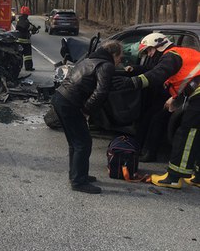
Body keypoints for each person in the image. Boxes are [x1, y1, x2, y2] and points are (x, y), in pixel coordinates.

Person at [113, 32, 200, 189]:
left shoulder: (171, 56)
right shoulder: (182, 54)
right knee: (197, 134)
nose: (149, 55)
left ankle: (173, 177)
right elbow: (189, 80)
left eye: (149, 51)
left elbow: (156, 75)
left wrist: (132, 82)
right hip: (196, 92)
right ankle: (198, 177)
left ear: (158, 46)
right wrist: (175, 98)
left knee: (187, 133)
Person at [51, 40, 123, 194]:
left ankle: (76, 174)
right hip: (70, 103)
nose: (120, 61)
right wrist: (86, 111)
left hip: (60, 98)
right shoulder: (106, 65)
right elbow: (101, 92)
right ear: (113, 54)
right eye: (120, 58)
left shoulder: (89, 60)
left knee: (75, 142)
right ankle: (78, 182)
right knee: (83, 143)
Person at [16, 6, 39, 71]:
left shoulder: (22, 19)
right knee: (26, 55)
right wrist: (32, 28)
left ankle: (26, 67)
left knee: (27, 56)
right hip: (23, 41)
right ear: (26, 14)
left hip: (22, 41)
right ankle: (26, 67)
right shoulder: (22, 20)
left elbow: (28, 25)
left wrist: (34, 28)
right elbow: (25, 26)